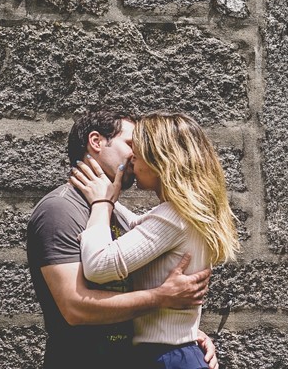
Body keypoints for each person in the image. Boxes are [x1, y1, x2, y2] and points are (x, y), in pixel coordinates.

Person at [27, 109, 217, 369]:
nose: (135, 155)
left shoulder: (111, 210)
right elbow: (75, 308)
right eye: (130, 144)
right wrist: (162, 298)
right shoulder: (60, 210)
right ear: (96, 142)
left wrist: (183, 336)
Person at [72, 111, 242, 369]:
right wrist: (108, 198)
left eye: (138, 155)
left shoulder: (174, 217)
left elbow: (99, 266)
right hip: (177, 353)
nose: (132, 161)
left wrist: (102, 203)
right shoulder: (182, 214)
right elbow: (137, 228)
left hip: (167, 359)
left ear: (160, 161)